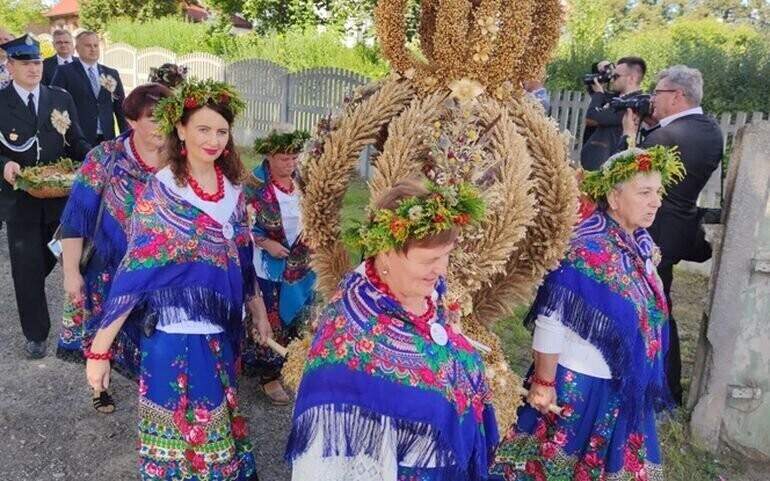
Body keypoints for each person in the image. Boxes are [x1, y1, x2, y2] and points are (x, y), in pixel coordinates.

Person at [85, 79, 269, 480]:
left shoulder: (235, 191)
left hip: (221, 331)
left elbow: (243, 262)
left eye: (221, 131)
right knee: (177, 445)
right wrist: (99, 350)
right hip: (172, 335)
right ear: (181, 130)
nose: (214, 139)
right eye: (203, 129)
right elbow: (134, 275)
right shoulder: (161, 193)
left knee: (219, 428)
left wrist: (259, 313)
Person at [489, 146, 684, 480]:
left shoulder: (639, 244)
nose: (656, 202)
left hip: (623, 387)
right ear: (613, 196)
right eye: (645, 193)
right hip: (580, 386)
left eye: (658, 192)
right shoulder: (583, 248)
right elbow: (551, 318)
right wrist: (543, 383)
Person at [287, 178, 499, 480]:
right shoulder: (351, 333)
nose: (442, 270)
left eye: (446, 255)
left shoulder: (429, 293)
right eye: (430, 259)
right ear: (385, 252)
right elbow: (325, 456)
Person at [57, 83, 172, 414]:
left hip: (158, 275)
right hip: (108, 269)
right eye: (153, 119)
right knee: (102, 333)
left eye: (167, 119)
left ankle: (152, 394)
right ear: (132, 121)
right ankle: (99, 386)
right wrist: (70, 272)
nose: (161, 128)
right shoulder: (104, 158)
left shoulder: (181, 162)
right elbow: (76, 218)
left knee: (152, 338)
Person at [621, 65, 724, 406]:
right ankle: (662, 386)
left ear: (677, 96)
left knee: (655, 311)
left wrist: (629, 134)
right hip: (673, 229)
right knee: (658, 307)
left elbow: (623, 172)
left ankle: (662, 389)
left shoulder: (669, 136)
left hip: (656, 234)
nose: (652, 99)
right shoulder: (706, 128)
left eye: (658, 93)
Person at [0, 34, 90, 359]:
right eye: (25, 63)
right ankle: (36, 334)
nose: (34, 68)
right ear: (10, 66)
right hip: (20, 200)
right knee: (25, 268)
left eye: (37, 61)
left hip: (59, 200)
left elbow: (76, 140)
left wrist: (93, 157)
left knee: (56, 261)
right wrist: (4, 163)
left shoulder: (60, 98)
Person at [242, 125, 314, 405]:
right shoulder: (253, 185)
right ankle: (268, 374)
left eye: (295, 158)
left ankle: (295, 366)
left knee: (301, 317)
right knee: (270, 318)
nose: (291, 164)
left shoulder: (304, 180)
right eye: (285, 158)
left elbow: (317, 213)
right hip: (269, 265)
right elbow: (241, 225)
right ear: (269, 156)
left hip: (302, 263)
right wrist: (263, 242)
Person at [51, 30, 129, 146]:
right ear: (77, 48)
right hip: (79, 139)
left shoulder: (111, 73)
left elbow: (120, 108)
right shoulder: (65, 72)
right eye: (88, 45)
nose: (93, 49)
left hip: (107, 138)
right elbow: (56, 106)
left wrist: (125, 137)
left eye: (95, 45)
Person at [581, 57, 646, 171]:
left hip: (608, 166)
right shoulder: (616, 97)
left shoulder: (633, 104)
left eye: (616, 76)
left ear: (631, 79)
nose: (612, 80)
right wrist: (600, 68)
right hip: (594, 162)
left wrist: (599, 94)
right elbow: (594, 88)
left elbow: (592, 117)